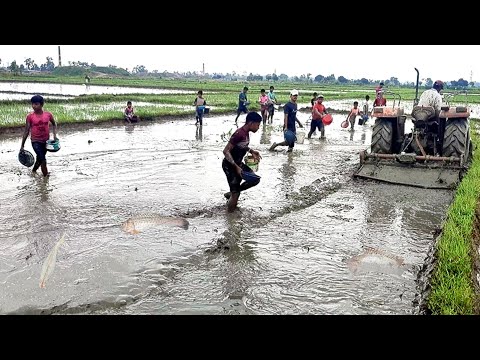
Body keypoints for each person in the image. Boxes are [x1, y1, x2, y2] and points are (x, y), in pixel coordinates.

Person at [222, 112, 262, 213]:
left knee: (255, 179)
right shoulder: (239, 133)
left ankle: (231, 193)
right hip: (230, 165)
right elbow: (226, 151)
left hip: (239, 164)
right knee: (236, 195)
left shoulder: (245, 133)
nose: (258, 127)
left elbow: (241, 145)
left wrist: (251, 151)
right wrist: (236, 167)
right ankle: (230, 218)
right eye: (258, 125)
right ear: (251, 123)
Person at [20, 95, 58, 177]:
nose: (34, 106)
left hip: (46, 142)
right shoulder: (30, 117)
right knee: (43, 160)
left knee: (39, 159)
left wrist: (55, 135)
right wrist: (22, 145)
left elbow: (54, 124)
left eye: (36, 104)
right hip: (35, 142)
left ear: (42, 104)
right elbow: (26, 131)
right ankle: (46, 179)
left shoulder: (48, 115)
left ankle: (33, 172)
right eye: (33, 104)